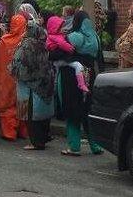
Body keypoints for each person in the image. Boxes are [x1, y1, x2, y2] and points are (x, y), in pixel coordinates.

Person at [52, 11, 104, 156]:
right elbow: (100, 60)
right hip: (89, 75)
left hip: (70, 77)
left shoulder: (75, 37)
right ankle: (95, 145)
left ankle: (74, 146)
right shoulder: (95, 38)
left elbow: (56, 53)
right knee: (87, 110)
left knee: (72, 109)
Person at [10, 22, 56, 150]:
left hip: (30, 85)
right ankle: (44, 138)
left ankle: (35, 142)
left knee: (31, 114)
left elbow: (18, 63)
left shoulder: (26, 45)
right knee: (44, 114)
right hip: (45, 84)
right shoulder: (43, 44)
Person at [0, 14, 28, 141]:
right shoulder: (26, 40)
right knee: (23, 102)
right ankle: (23, 131)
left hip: (7, 77)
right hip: (23, 77)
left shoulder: (4, 41)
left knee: (7, 105)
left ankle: (9, 132)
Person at [46, 16, 89, 93]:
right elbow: (63, 44)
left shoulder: (51, 36)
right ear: (56, 28)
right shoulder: (56, 37)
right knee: (78, 65)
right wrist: (71, 48)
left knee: (56, 76)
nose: (62, 29)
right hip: (62, 59)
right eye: (60, 27)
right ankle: (81, 83)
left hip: (56, 61)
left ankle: (54, 90)